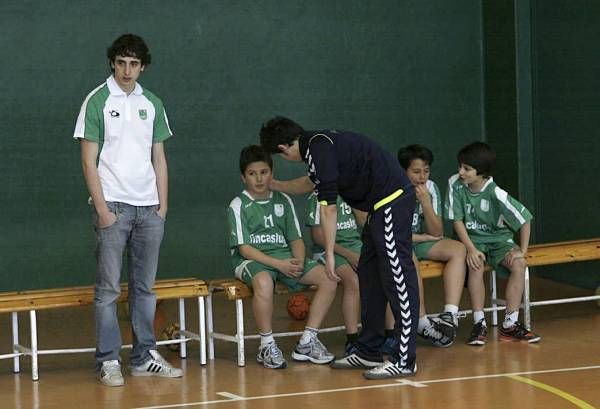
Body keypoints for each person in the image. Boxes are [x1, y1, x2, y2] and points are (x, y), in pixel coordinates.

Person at [260, 117, 419, 380]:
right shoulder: (317, 146)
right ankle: (368, 350)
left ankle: (405, 359)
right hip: (377, 211)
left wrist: (331, 254)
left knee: (397, 278)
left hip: (392, 203)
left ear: (284, 148)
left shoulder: (318, 149)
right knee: (370, 277)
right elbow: (310, 183)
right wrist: (275, 185)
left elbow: (329, 207)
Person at [73, 34, 182, 387]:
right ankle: (108, 360)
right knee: (108, 290)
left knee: (145, 289)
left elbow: (159, 158)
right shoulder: (97, 100)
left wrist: (162, 207)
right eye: (121, 62)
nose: (127, 70)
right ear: (112, 63)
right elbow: (88, 162)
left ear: (143, 67)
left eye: (134, 64)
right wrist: (103, 210)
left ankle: (144, 357)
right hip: (114, 208)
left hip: (149, 209)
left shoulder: (152, 103)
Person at [227, 145, 337, 369]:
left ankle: (308, 340)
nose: (259, 178)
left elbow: (296, 239)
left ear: (272, 173)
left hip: (284, 260)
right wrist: (278, 265)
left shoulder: (283, 200)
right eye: (252, 173)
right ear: (243, 177)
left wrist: (296, 263)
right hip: (252, 262)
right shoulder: (238, 205)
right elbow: (244, 249)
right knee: (265, 282)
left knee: (328, 277)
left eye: (264, 172)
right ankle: (266, 345)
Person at [445, 142, 541, 345]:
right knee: (476, 264)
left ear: (482, 173)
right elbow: (457, 220)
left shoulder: (496, 193)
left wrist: (522, 251)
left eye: (467, 169)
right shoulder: (455, 183)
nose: (460, 172)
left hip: (499, 241)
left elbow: (524, 219)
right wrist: (470, 249)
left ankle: (510, 324)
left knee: (519, 265)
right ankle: (479, 323)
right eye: (460, 166)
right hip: (472, 240)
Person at [381, 145, 467, 350]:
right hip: (395, 242)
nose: (422, 177)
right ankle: (420, 320)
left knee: (458, 249)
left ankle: (450, 314)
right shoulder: (390, 187)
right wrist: (420, 238)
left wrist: (426, 203)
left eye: (426, 171)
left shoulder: (430, 188)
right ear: (403, 170)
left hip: (420, 239)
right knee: (406, 259)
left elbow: (437, 232)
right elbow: (389, 231)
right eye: (416, 171)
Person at [306, 193, 361, 351]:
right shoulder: (317, 197)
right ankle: (352, 339)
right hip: (329, 251)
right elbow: (318, 237)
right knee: (353, 281)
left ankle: (389, 334)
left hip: (355, 246)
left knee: (384, 272)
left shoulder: (353, 191)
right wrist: (349, 255)